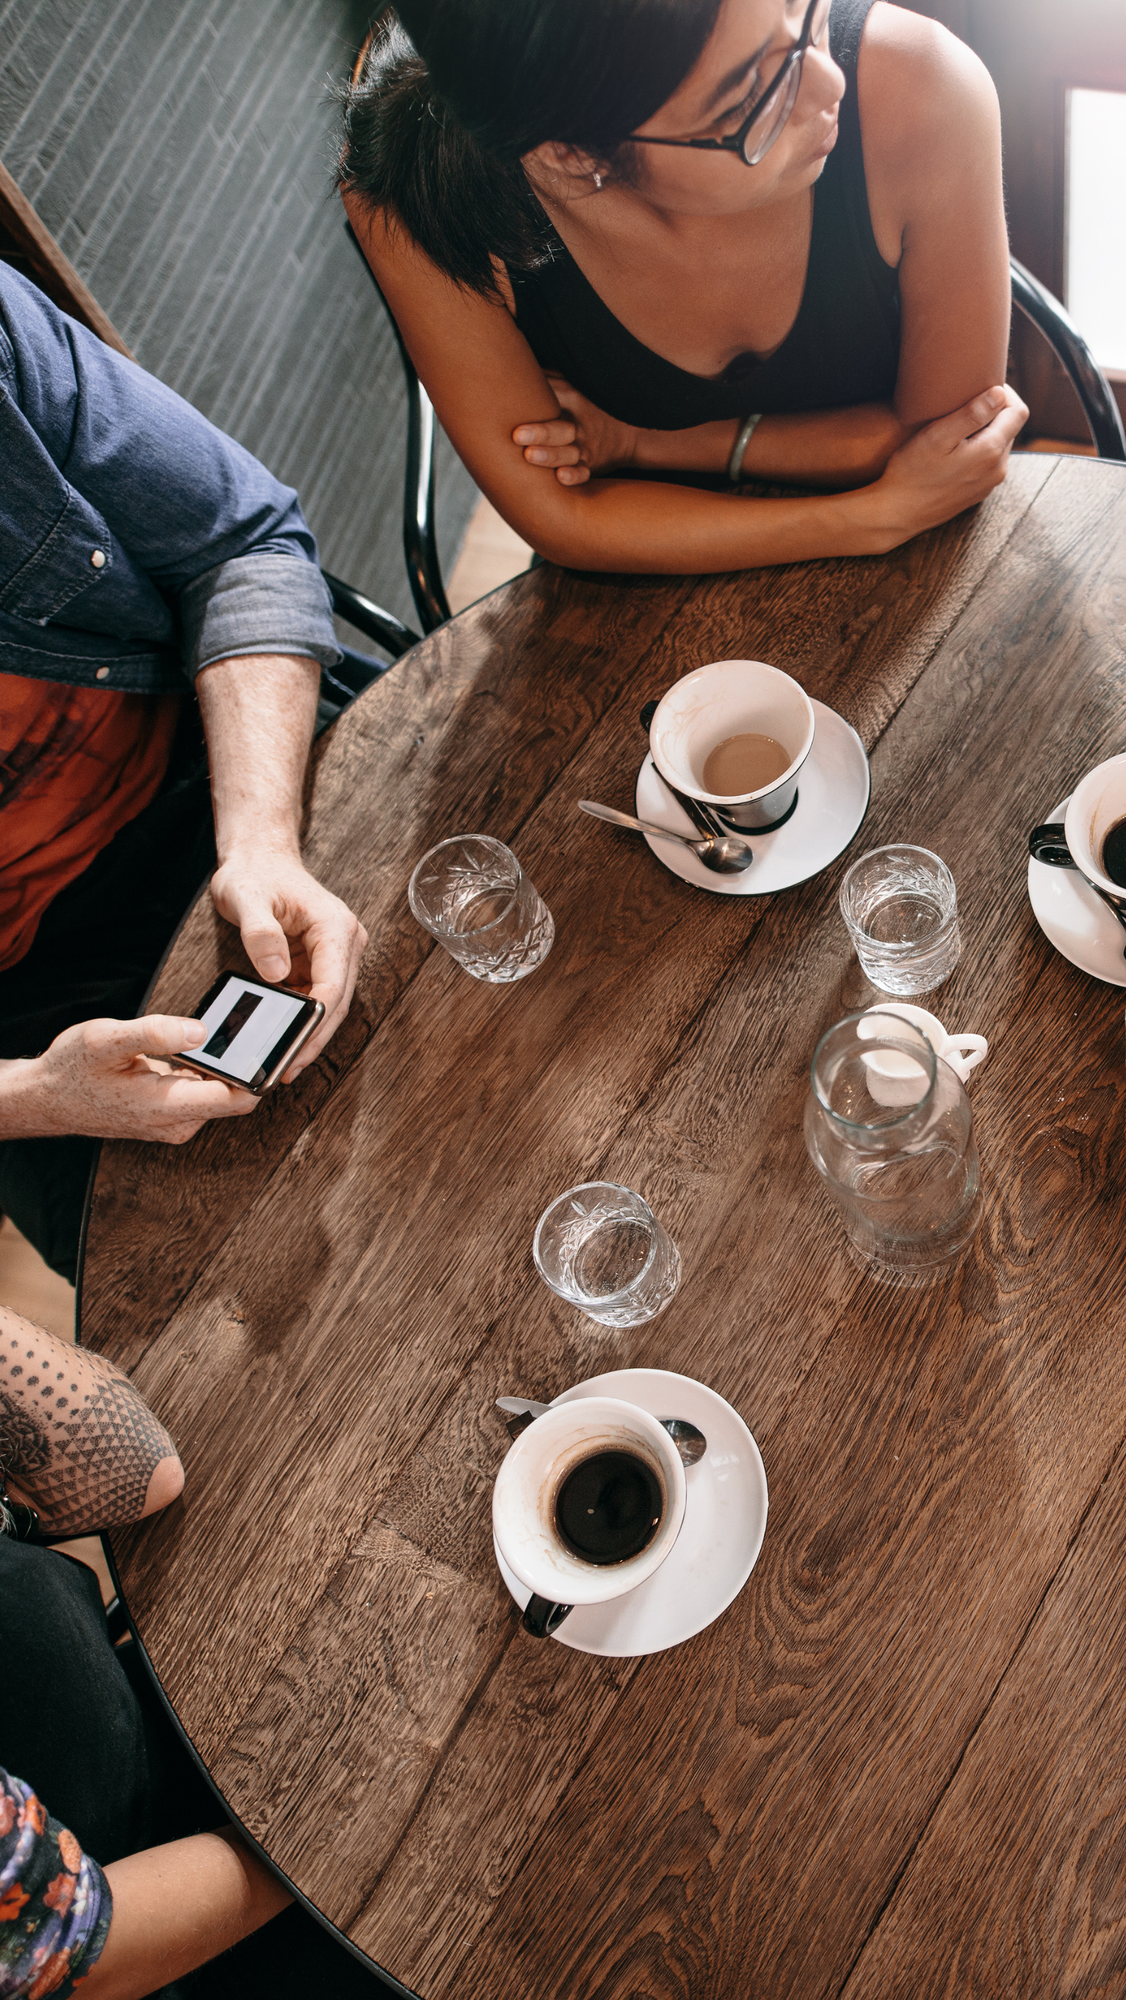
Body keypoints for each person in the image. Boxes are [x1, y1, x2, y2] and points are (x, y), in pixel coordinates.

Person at [340, 0, 1027, 578]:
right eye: (748, 99)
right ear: (571, 155)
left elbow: (952, 445)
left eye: (798, 8)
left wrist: (647, 447)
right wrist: (870, 517)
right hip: (639, 588)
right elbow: (562, 519)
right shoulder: (414, 191)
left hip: (926, 556)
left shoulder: (922, 85)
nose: (827, 86)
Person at [0, 262, 368, 1285]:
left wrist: (260, 839)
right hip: (30, 1002)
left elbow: (239, 542)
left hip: (222, 764)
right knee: (266, 1295)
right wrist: (32, 1093)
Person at [0, 1303, 386, 1998]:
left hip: (157, 1745)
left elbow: (136, 1469)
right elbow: (80, 1950)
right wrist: (304, 1829)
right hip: (172, 1939)